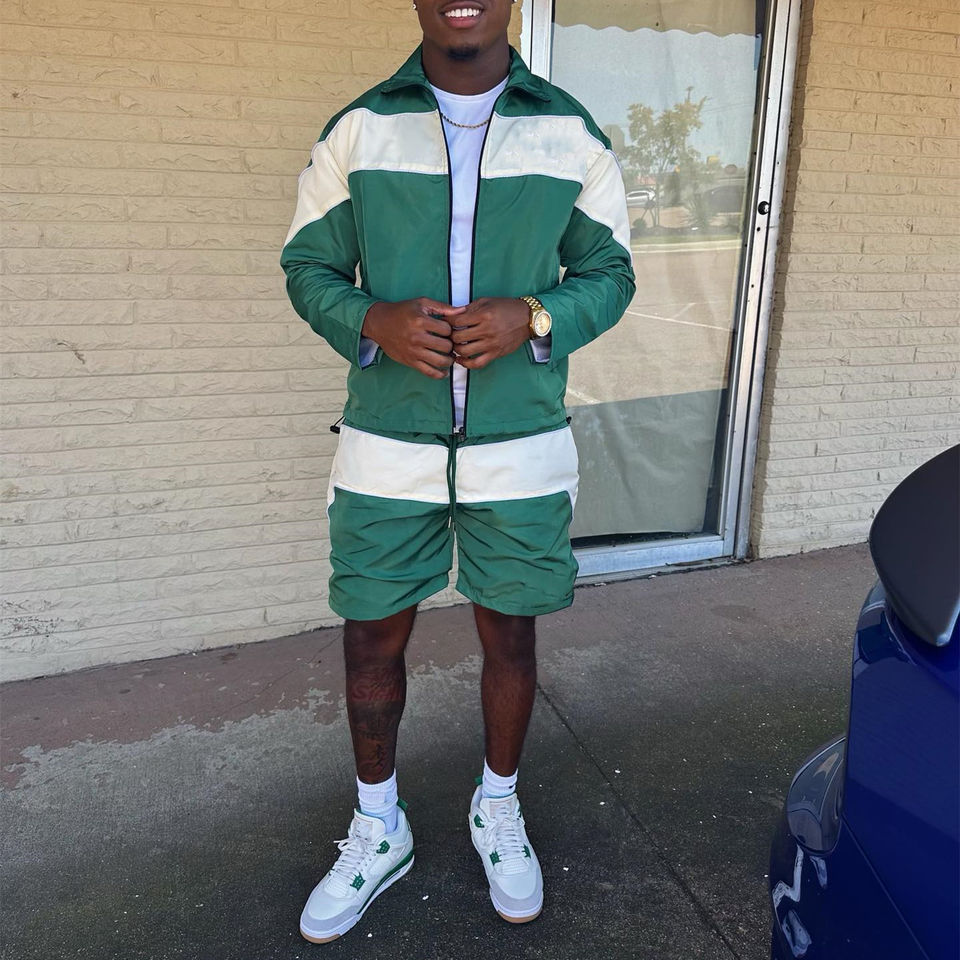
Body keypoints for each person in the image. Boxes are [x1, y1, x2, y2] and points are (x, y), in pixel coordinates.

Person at [280, 0, 635, 943]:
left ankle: (498, 805)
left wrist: (537, 316)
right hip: (385, 444)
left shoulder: (568, 133)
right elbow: (308, 265)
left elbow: (611, 273)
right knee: (370, 638)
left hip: (518, 446)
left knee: (510, 635)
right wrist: (371, 319)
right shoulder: (360, 129)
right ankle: (378, 826)